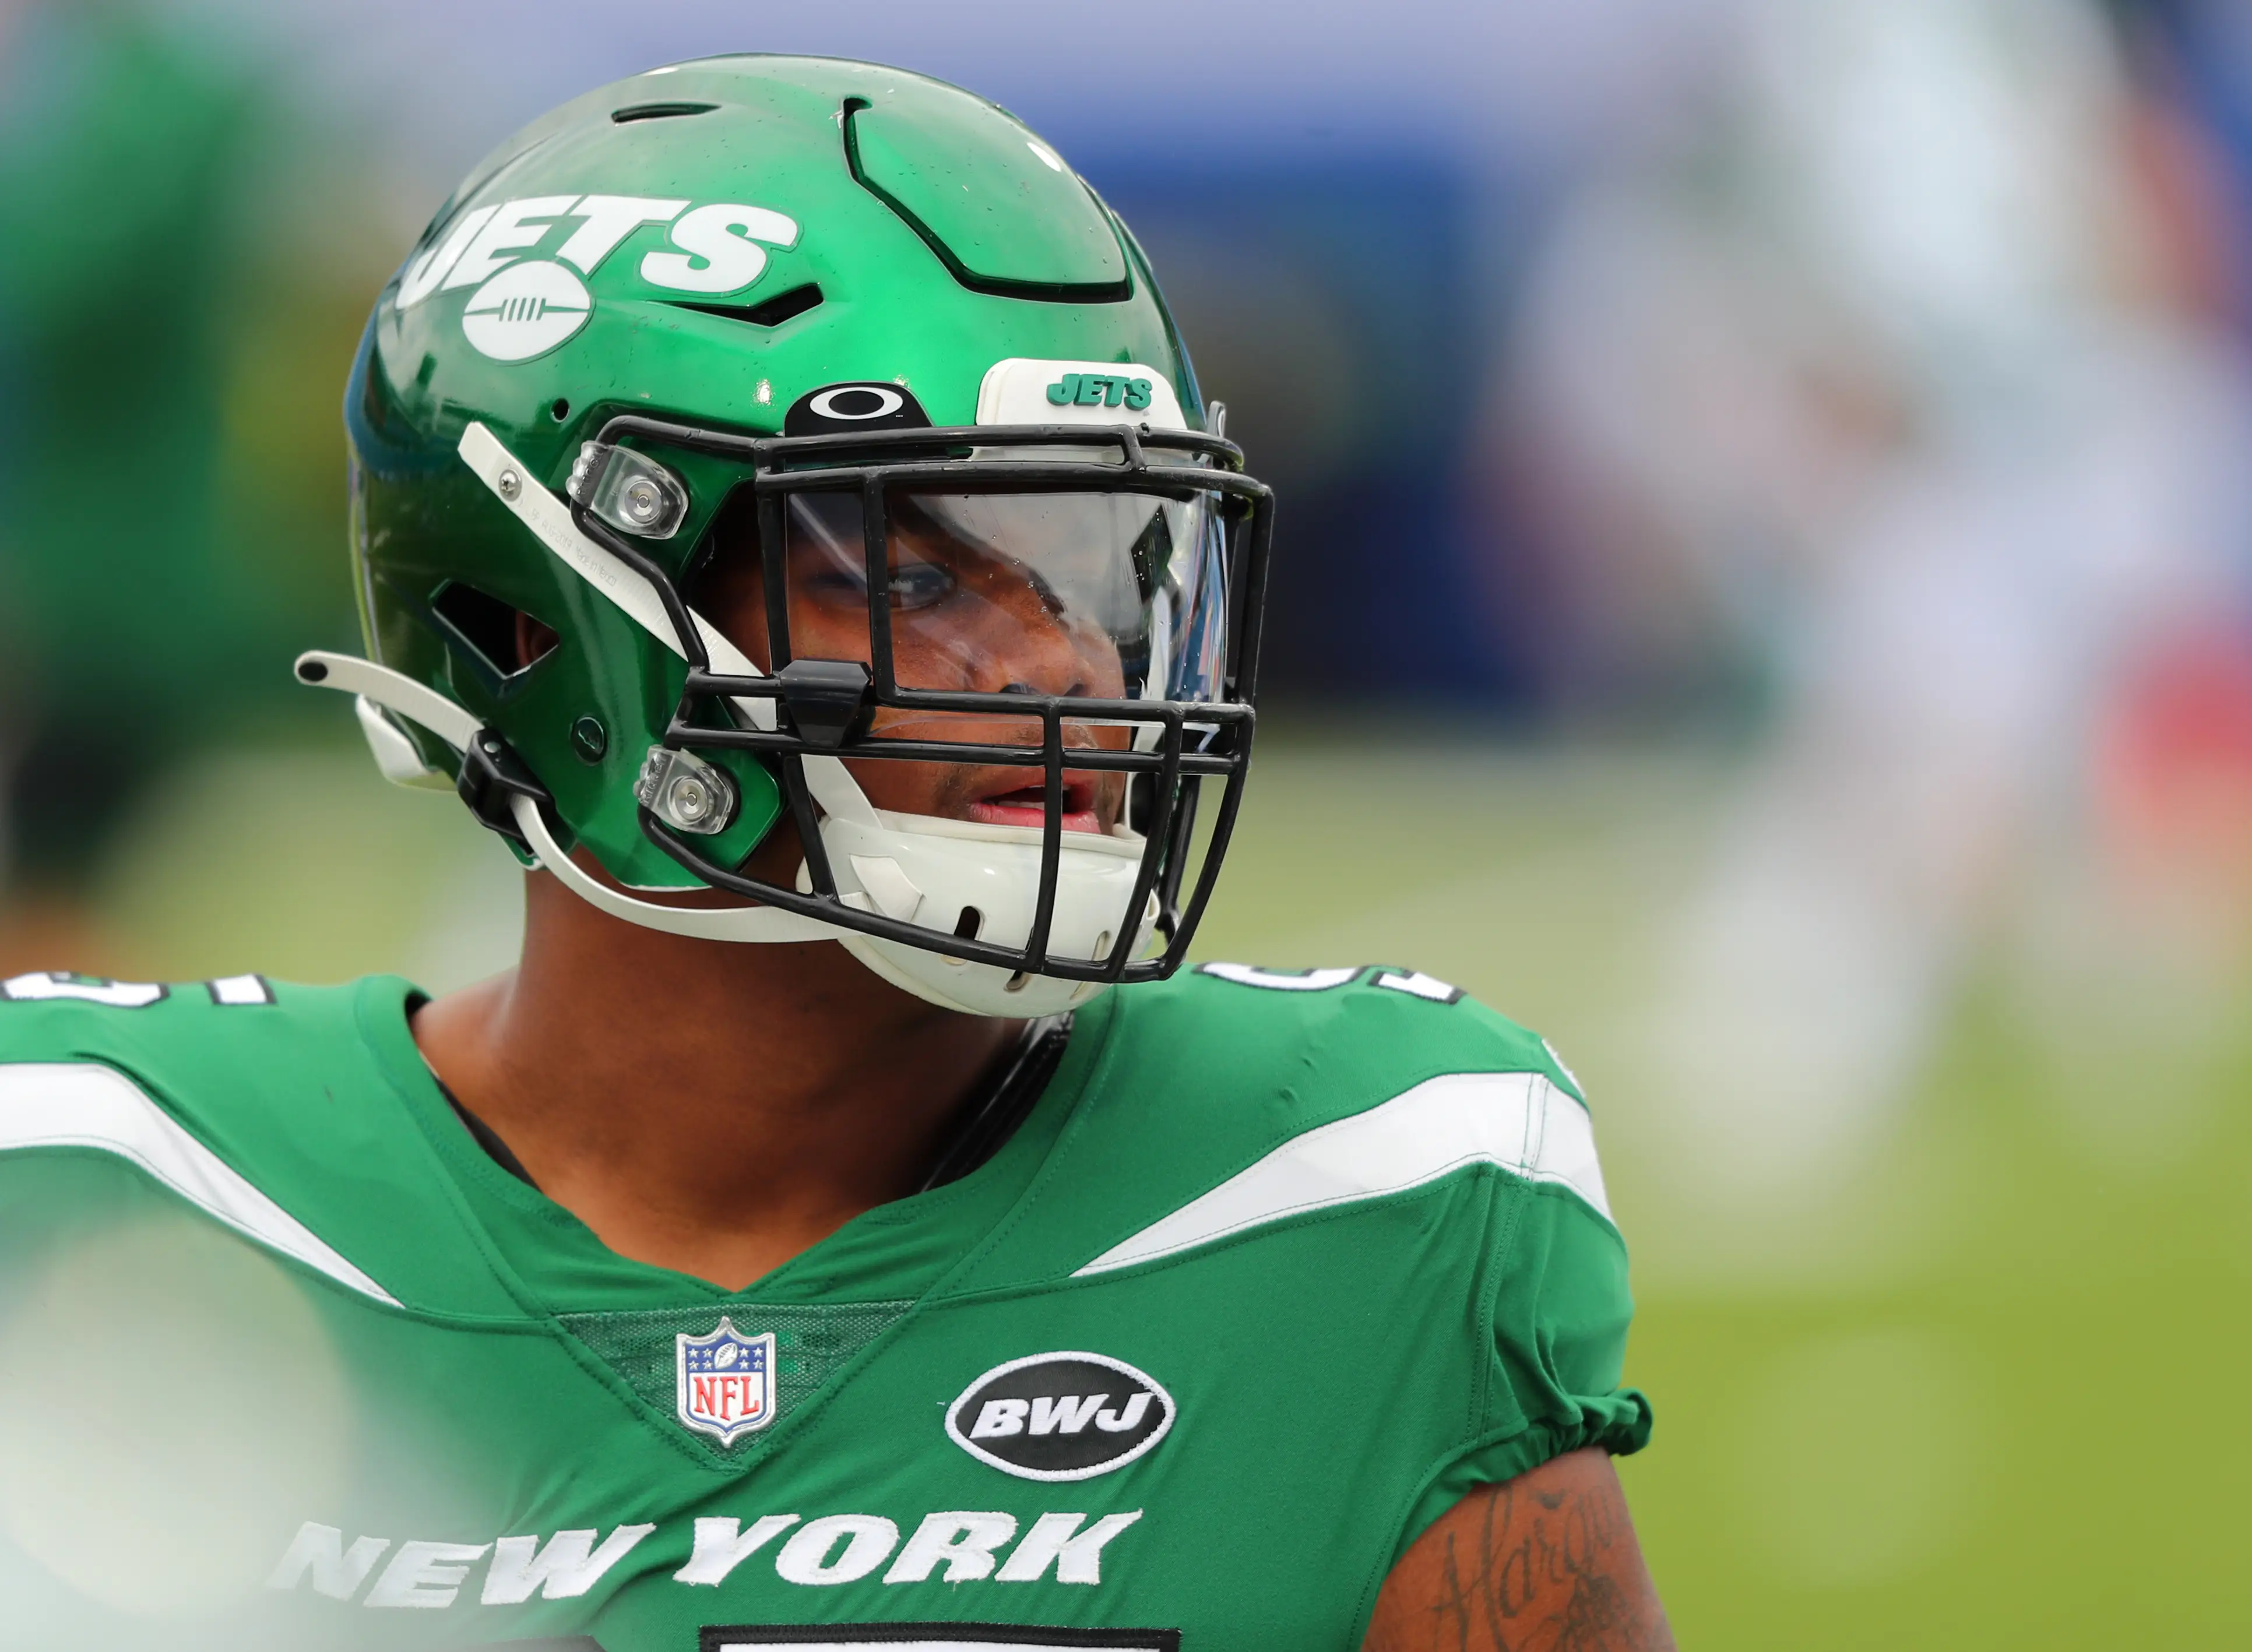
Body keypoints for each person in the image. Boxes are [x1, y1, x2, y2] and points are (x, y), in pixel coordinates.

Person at [0, 56, 1670, 1650]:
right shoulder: (76, 1174)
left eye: (1098, 564)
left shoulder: (1366, 1191)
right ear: (548, 618)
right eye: (928, 573)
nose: (1072, 669)